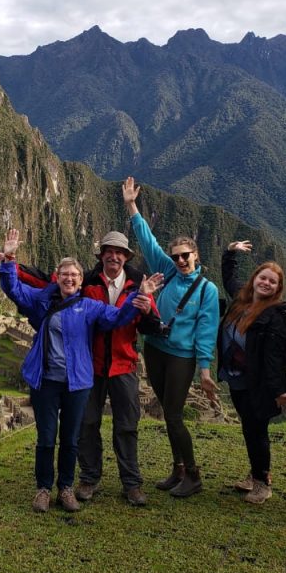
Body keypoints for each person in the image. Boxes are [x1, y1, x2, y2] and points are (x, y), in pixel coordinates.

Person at [0, 230, 162, 513]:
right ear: (58, 277)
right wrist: (9, 260)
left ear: (81, 281)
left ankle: (66, 488)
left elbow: (117, 317)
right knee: (47, 437)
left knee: (71, 437)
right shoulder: (42, 300)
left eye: (75, 275)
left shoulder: (90, 306)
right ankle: (44, 488)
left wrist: (140, 297)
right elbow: (14, 289)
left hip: (78, 381)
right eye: (65, 274)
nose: (69, 278)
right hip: (45, 381)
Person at [123, 177, 220, 497]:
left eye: (185, 256)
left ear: (196, 256)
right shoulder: (164, 269)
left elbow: (206, 331)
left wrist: (204, 370)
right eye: (176, 256)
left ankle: (193, 474)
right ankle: (178, 469)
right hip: (155, 348)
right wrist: (131, 206)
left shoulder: (207, 290)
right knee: (167, 411)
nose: (179, 261)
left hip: (181, 356)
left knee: (175, 415)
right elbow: (147, 241)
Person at [216, 241, 286, 504]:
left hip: (257, 384)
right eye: (263, 278)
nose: (266, 284)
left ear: (277, 289)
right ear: (255, 279)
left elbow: (272, 360)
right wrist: (231, 251)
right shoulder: (242, 299)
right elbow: (228, 275)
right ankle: (255, 474)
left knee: (257, 430)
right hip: (236, 378)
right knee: (249, 428)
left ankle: (263, 483)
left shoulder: (273, 317)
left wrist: (278, 392)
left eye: (272, 282)